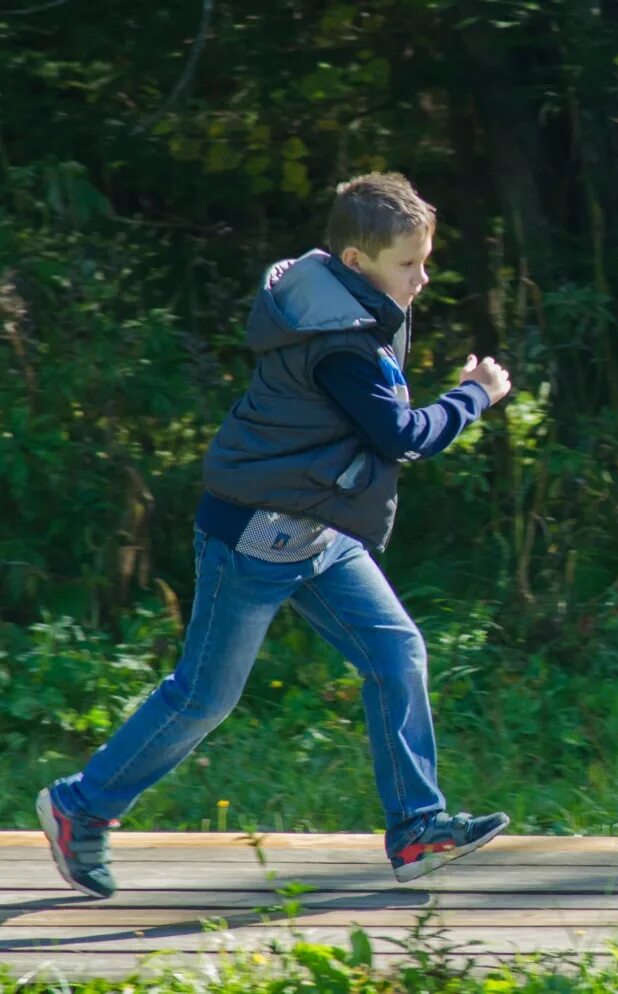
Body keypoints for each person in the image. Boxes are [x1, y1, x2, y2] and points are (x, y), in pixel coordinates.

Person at [38, 172, 512, 897]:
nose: (422, 278)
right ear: (356, 262)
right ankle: (79, 809)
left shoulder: (349, 301)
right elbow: (402, 438)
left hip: (317, 529)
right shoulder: (339, 342)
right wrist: (474, 395)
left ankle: (418, 831)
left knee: (396, 652)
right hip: (255, 537)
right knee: (204, 697)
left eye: (424, 260)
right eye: (408, 264)